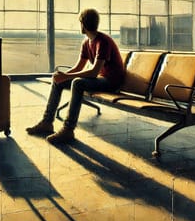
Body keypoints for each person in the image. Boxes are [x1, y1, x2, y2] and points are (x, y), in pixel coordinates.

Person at [27, 8, 125, 144]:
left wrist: (67, 77)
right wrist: (63, 75)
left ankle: (68, 129)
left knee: (78, 83)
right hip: (101, 79)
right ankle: (47, 122)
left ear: (83, 24)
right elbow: (79, 67)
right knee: (58, 81)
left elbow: (93, 72)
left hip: (111, 82)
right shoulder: (87, 42)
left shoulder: (103, 42)